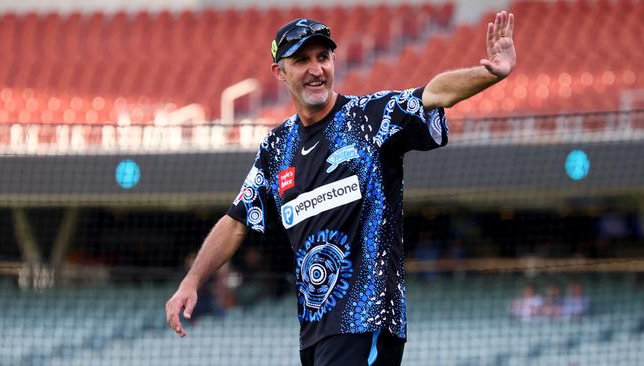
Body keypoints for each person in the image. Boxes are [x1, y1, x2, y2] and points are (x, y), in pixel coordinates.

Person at [166, 11, 516, 365]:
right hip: (314, 332)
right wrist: (192, 280)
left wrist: (490, 73)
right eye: (302, 60)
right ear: (279, 72)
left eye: (323, 57)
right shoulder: (276, 147)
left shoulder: (369, 118)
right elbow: (237, 219)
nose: (316, 69)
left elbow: (434, 93)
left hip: (368, 318)